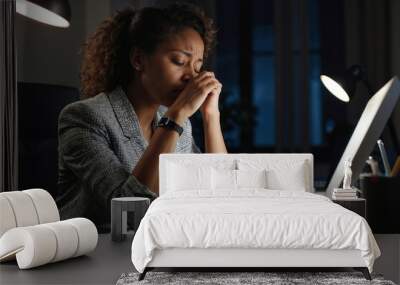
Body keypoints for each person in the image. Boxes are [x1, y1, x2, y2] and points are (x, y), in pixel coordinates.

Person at [56, 3, 227, 232]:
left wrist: (210, 116)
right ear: (138, 60)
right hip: (97, 254)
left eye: (197, 67)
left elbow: (221, 193)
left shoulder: (179, 125)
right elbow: (130, 215)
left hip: (156, 249)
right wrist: (175, 116)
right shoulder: (85, 118)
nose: (191, 77)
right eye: (178, 61)